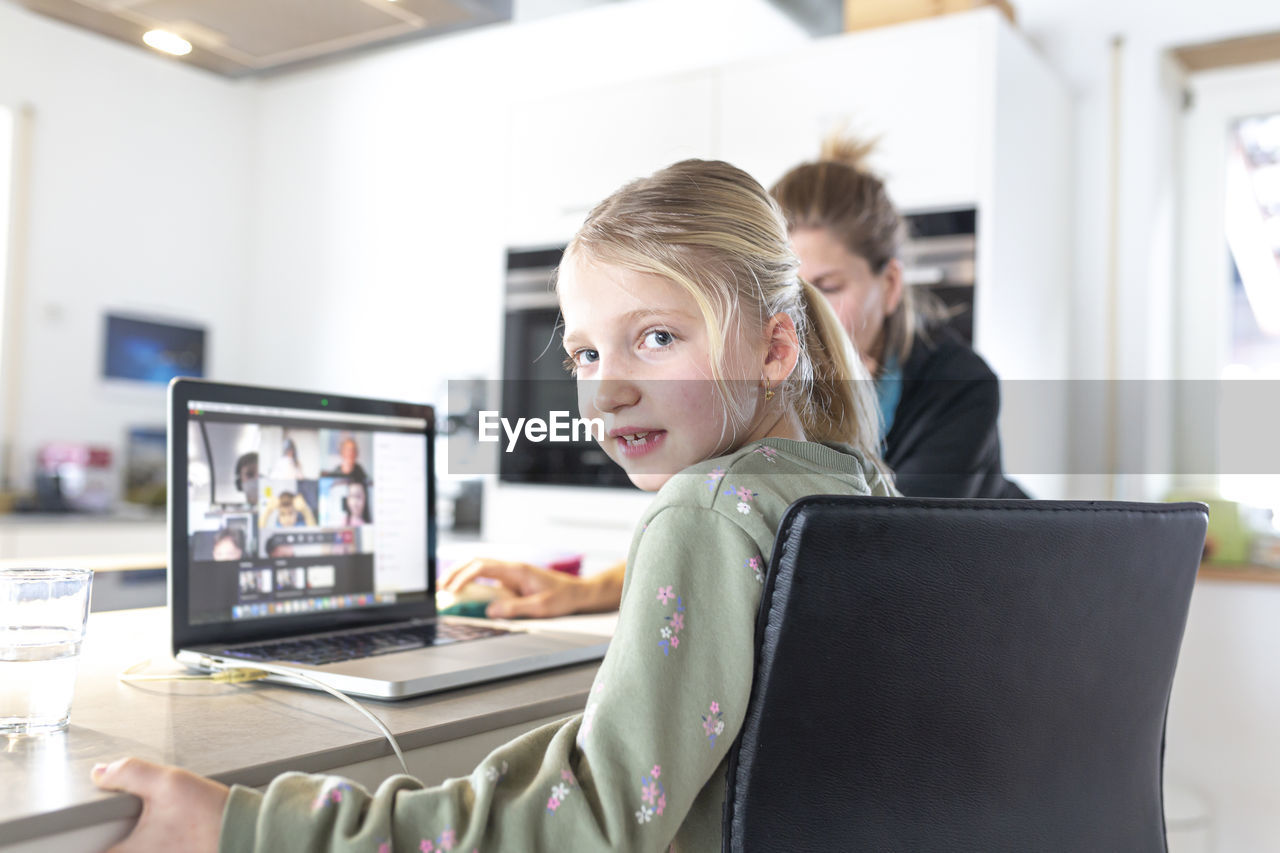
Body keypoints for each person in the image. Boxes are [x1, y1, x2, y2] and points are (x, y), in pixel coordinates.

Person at [90, 158, 897, 852]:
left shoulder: (706, 508)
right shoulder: (843, 480)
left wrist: (249, 826)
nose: (606, 390)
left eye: (656, 336)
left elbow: (594, 820)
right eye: (585, 351)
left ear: (775, 348)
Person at [444, 135, 1028, 619]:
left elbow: (863, 560)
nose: (805, 307)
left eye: (825, 288)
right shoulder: (767, 401)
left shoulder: (956, 385)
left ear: (890, 286)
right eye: (792, 287)